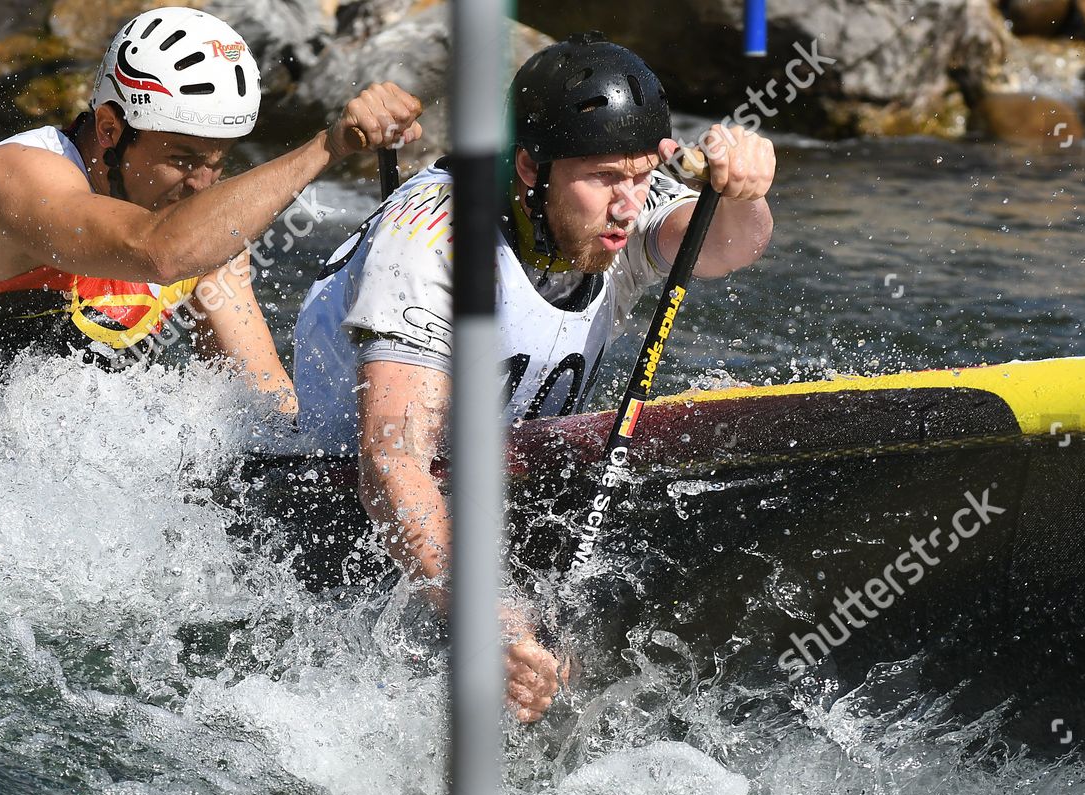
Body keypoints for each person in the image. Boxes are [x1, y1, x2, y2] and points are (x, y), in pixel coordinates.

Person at [291, 33, 776, 721]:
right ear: (530, 166)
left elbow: (727, 245)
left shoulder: (618, 206)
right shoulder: (434, 238)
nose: (628, 205)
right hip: (333, 506)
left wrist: (744, 194)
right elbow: (391, 461)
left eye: (641, 178)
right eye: (606, 178)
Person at [0, 5, 421, 413]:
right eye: (181, 159)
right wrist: (329, 146)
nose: (202, 183)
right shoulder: (13, 178)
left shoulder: (206, 231)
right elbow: (156, 251)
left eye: (217, 161)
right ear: (109, 128)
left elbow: (264, 405)